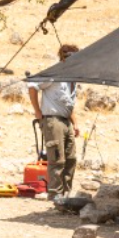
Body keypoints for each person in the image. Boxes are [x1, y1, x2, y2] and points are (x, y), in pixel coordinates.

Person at [27, 45, 83, 199]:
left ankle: (66, 192)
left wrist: (75, 123)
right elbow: (32, 86)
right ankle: (55, 194)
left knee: (71, 158)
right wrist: (38, 111)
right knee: (57, 158)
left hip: (66, 121)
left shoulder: (71, 79)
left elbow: (68, 103)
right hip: (53, 119)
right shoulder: (55, 73)